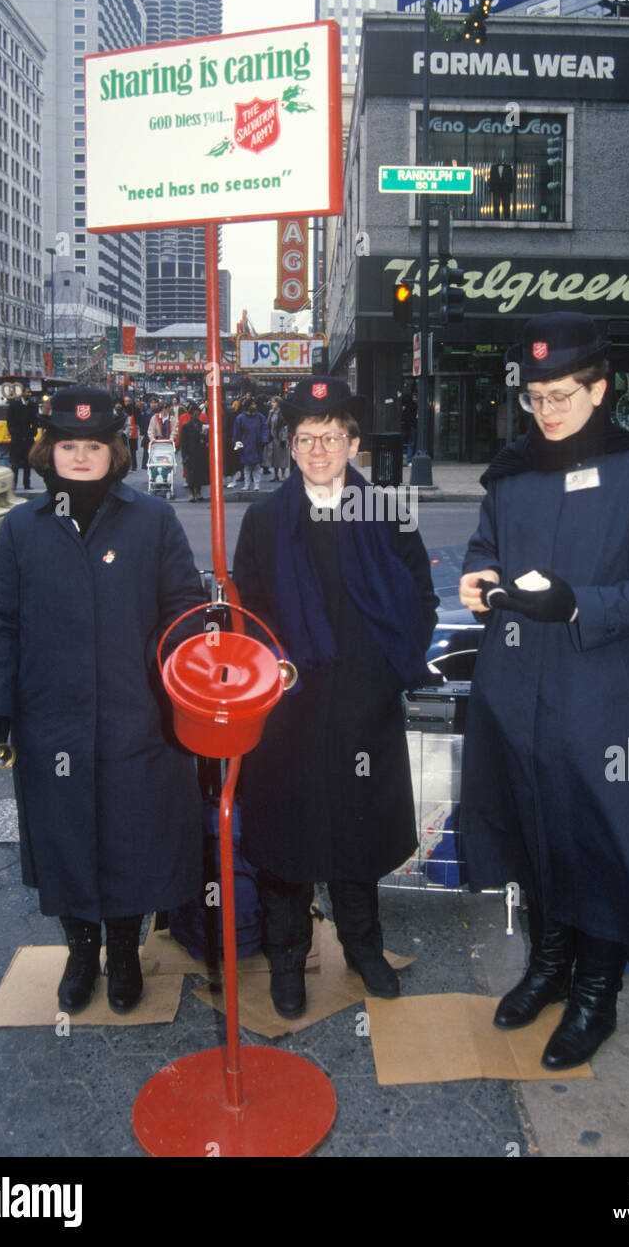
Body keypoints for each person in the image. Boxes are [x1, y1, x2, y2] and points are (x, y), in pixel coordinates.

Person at [459, 313, 629, 1071]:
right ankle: (548, 964)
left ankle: (597, 990)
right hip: (512, 689)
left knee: (601, 841)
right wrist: (478, 580)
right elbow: (484, 551)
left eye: (562, 394)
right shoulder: (511, 469)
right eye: (535, 397)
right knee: (529, 830)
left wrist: (578, 604)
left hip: (598, 696)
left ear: (598, 388)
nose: (547, 411)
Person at [0, 386, 204, 1015]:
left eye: (92, 445)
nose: (78, 456)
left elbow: (185, 612)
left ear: (114, 453)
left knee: (132, 838)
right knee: (65, 840)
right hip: (54, 723)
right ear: (48, 452)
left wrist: (180, 693)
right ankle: (80, 951)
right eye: (67, 445)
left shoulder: (153, 521)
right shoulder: (22, 527)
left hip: (139, 718)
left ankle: (124, 952)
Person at [232, 377, 438, 1018]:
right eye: (304, 439)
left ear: (353, 441)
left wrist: (382, 673)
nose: (318, 450)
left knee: (357, 838)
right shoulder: (265, 520)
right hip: (288, 713)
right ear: (289, 447)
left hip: (362, 707)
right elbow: (248, 616)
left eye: (331, 436)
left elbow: (420, 600)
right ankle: (287, 962)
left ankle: (364, 947)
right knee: (286, 843)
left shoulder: (388, 512)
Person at [232, 398, 269, 491]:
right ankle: (248, 485)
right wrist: (237, 443)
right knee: (248, 466)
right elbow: (236, 433)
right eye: (252, 404)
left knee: (254, 466)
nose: (255, 406)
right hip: (247, 444)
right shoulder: (242, 418)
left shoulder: (258, 417)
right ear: (248, 406)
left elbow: (265, 429)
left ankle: (255, 485)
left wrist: (264, 439)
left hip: (255, 443)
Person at [6, 394, 38, 489]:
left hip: (28, 436)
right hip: (17, 436)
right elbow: (9, 420)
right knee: (15, 463)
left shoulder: (32, 405)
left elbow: (35, 421)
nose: (29, 394)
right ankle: (14, 484)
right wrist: (13, 432)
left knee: (27, 462)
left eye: (30, 392)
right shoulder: (14, 405)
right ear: (23, 393)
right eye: (27, 392)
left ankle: (26, 484)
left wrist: (33, 432)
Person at [180, 401, 209, 501]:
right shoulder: (186, 426)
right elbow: (183, 442)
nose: (197, 414)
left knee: (200, 474)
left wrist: (205, 436)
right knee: (191, 475)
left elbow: (208, 439)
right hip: (190, 453)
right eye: (194, 413)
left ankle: (199, 492)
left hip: (201, 452)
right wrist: (184, 455)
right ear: (191, 414)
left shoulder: (204, 425)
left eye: (198, 413)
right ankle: (191, 493)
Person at [264, 395, 289, 482]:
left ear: (278, 403)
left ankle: (283, 475)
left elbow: (285, 426)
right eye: (272, 402)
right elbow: (267, 424)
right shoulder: (271, 412)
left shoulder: (283, 413)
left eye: (274, 402)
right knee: (274, 456)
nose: (272, 404)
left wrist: (284, 439)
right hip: (273, 436)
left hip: (281, 436)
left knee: (282, 456)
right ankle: (275, 475)